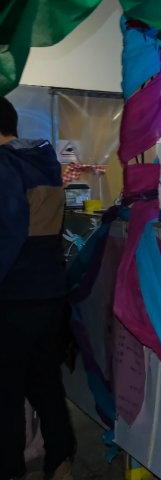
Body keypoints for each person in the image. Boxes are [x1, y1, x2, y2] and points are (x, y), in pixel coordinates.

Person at [0, 96, 76, 480]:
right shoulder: (43, 160)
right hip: (49, 292)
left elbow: (7, 235)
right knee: (45, 381)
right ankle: (60, 461)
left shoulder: (4, 165)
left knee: (6, 391)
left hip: (14, 295)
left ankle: (9, 468)